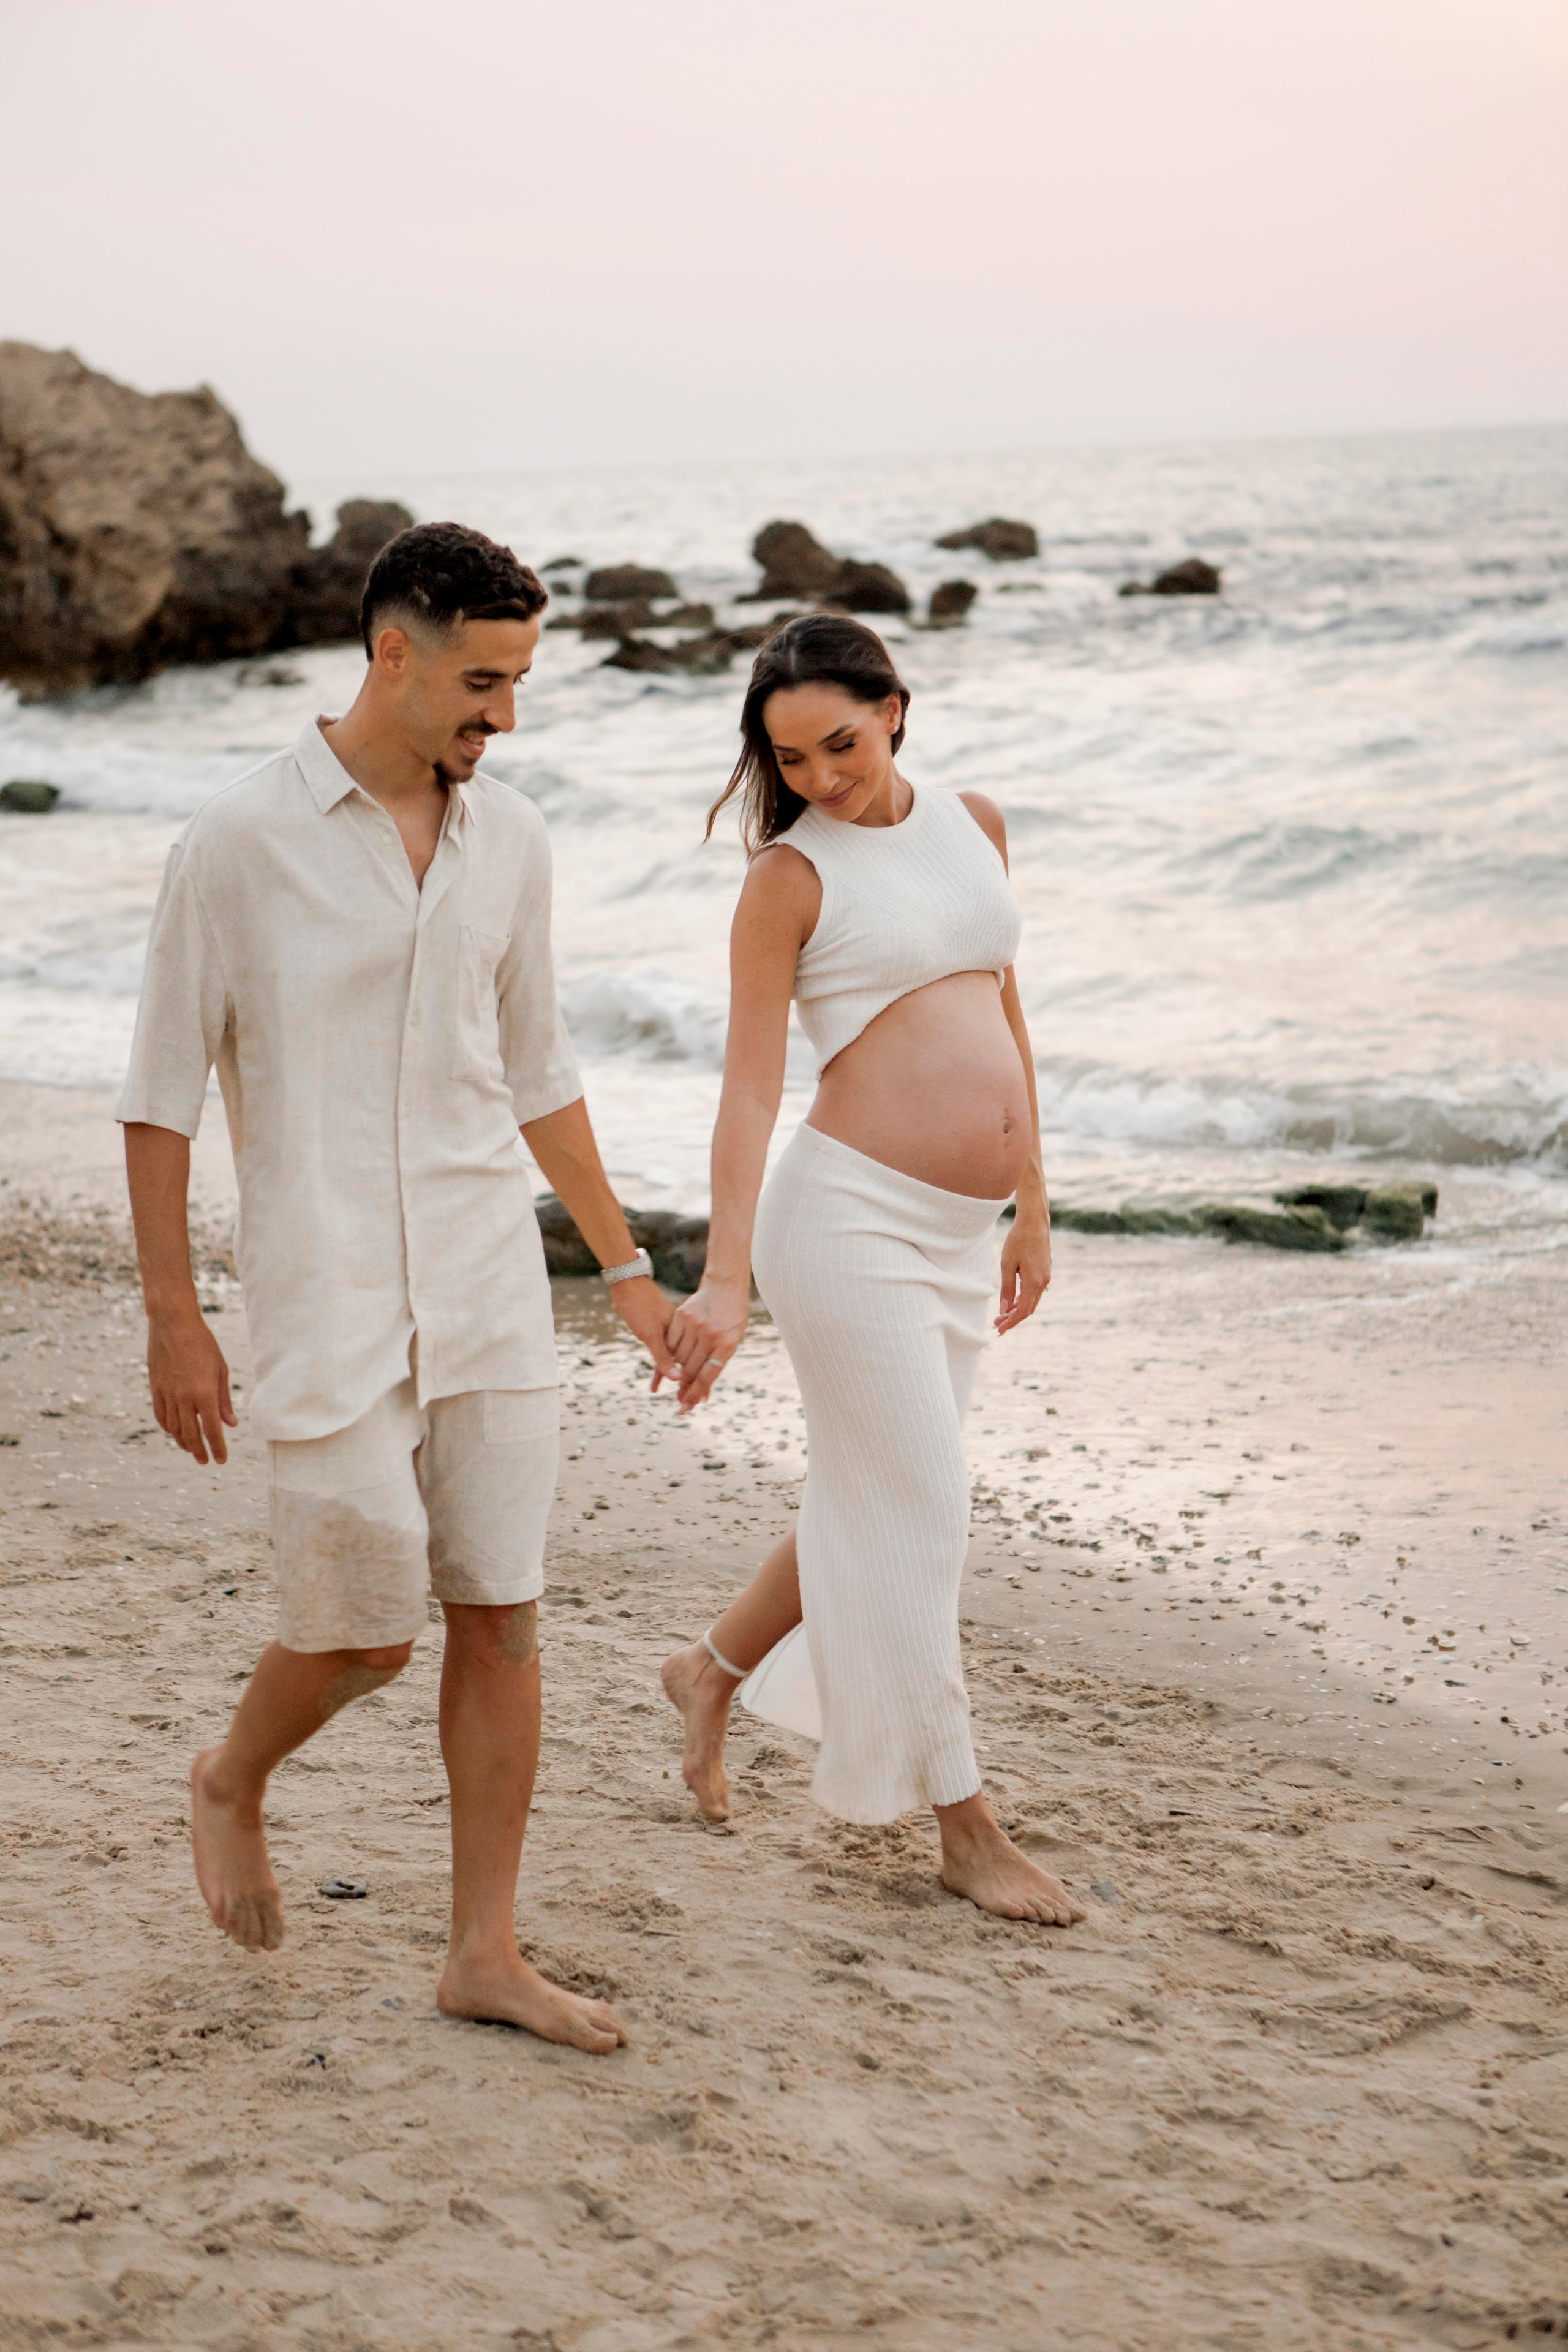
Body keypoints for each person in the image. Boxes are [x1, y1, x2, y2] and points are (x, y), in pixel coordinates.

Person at [120, 521, 677, 2054]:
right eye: (483, 682)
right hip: (327, 1288)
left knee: (499, 1615)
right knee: (363, 1629)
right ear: (393, 655)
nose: (504, 716)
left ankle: (480, 1953)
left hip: (488, 1276)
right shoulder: (239, 841)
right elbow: (160, 1093)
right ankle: (232, 1776)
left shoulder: (512, 839)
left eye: (516, 682)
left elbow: (539, 1070)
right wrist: (176, 1312)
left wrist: (623, 1267)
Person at [659, 614, 1084, 1927]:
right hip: (844, 1226)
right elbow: (745, 1095)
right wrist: (723, 1280)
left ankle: (710, 1669)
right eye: (789, 760)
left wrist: (1030, 1203)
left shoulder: (973, 821)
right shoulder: (787, 879)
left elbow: (1002, 1005)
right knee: (923, 1506)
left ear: (894, 707)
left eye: (838, 743)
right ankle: (962, 1826)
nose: (821, 778)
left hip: (961, 1234)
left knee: (877, 1491)